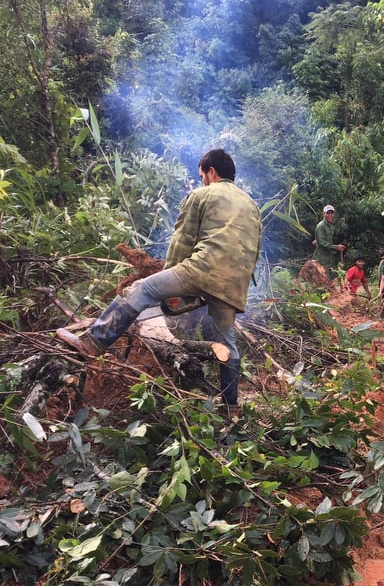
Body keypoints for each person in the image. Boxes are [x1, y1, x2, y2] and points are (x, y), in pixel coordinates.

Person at [56, 149, 262, 408]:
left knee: (139, 290)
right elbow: (252, 248)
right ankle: (232, 411)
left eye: (202, 175)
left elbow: (183, 240)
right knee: (227, 345)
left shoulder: (201, 194)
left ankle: (92, 342)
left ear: (211, 172)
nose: (201, 180)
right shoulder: (252, 205)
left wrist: (171, 281)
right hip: (235, 284)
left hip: (202, 268)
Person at [314, 205, 345, 277]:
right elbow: (322, 242)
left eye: (332, 213)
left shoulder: (330, 226)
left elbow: (322, 239)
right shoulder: (321, 226)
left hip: (329, 257)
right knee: (323, 280)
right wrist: (336, 247)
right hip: (321, 258)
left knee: (328, 279)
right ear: (324, 214)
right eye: (328, 213)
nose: (330, 215)